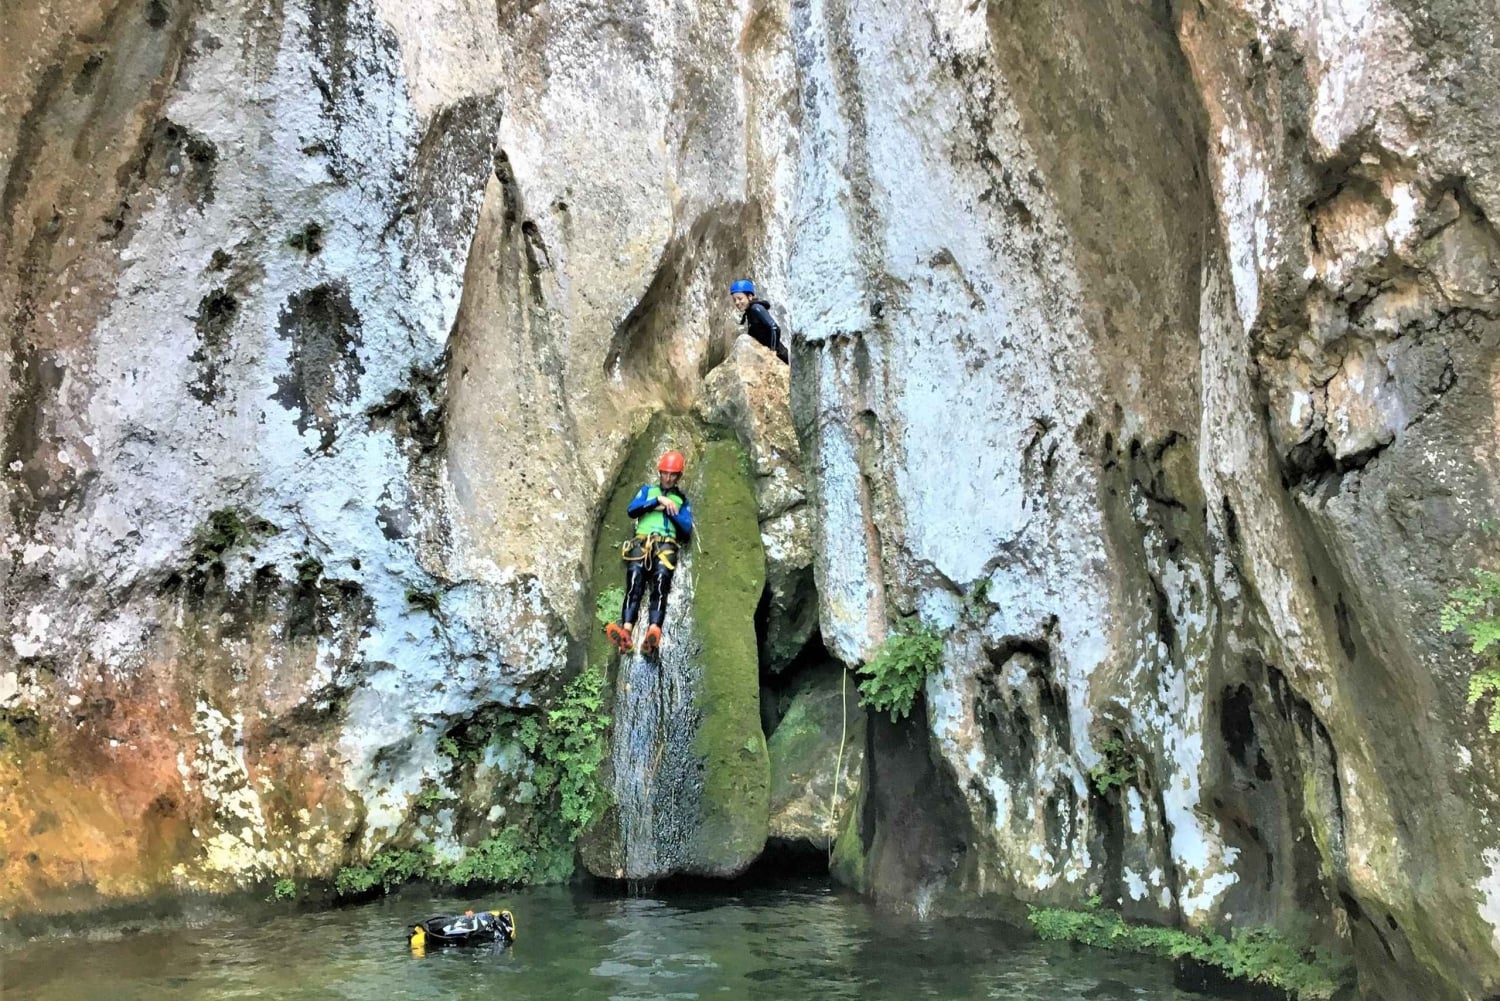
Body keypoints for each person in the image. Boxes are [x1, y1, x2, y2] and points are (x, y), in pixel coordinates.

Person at [605, 450, 695, 658]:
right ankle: (626, 633)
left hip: (666, 546)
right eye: (665, 473)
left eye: (673, 475)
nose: (668, 478)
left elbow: (686, 528)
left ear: (678, 477)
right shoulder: (648, 491)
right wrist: (657, 501)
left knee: (661, 582)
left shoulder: (681, 500)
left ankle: (653, 632)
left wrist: (669, 510)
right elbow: (632, 510)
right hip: (642, 542)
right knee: (634, 580)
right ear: (660, 472)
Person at [730, 279, 789, 364]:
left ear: (750, 297)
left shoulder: (756, 308)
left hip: (780, 356)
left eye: (740, 298)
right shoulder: (749, 312)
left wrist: (772, 352)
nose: (737, 302)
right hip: (767, 355)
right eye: (734, 300)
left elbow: (775, 328)